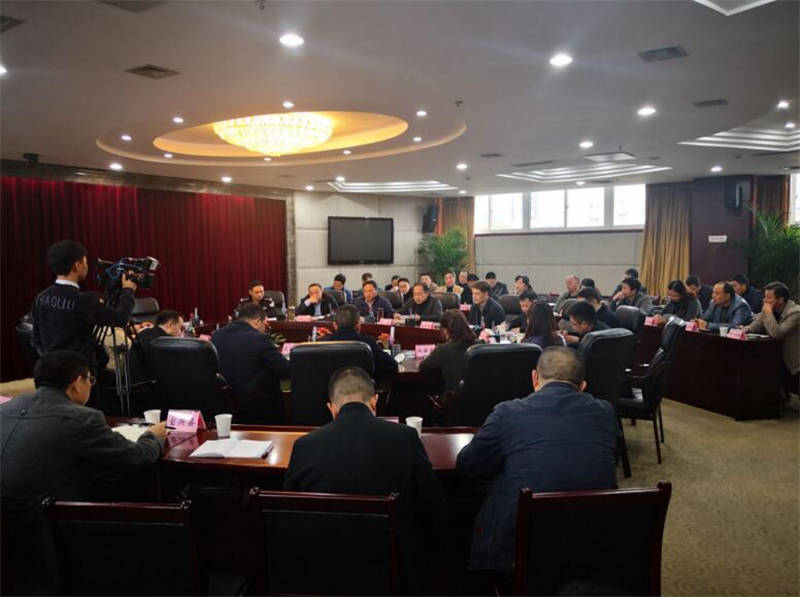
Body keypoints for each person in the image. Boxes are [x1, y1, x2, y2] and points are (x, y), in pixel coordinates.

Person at [283, 367, 448, 590]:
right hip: (392, 571)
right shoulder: (406, 437)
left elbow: (287, 515)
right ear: (374, 402)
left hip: (322, 572)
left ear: (332, 409)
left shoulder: (305, 446)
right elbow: (434, 507)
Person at [456, 347, 618, 575]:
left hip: (518, 555)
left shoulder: (507, 413)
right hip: (591, 546)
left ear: (534, 378)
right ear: (582, 386)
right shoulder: (606, 412)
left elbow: (468, 465)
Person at [0, 350, 167, 501]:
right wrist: (153, 435)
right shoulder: (82, 418)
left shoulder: (5, 408)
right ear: (78, 383)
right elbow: (136, 457)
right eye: (90, 380)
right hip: (48, 516)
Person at [32, 240, 137, 369]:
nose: (86, 267)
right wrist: (128, 290)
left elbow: (36, 339)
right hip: (79, 372)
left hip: (52, 369)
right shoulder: (84, 300)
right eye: (85, 262)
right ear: (77, 265)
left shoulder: (40, 297)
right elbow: (120, 319)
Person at [211, 302, 290, 424]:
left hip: (226, 408)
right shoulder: (259, 338)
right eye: (264, 324)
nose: (265, 329)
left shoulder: (217, 336)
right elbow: (284, 370)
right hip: (260, 409)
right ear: (258, 321)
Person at [744, 282, 799, 395]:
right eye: (764, 297)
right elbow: (755, 326)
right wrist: (741, 330)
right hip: (774, 357)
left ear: (780, 300)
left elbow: (777, 333)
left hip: (793, 360)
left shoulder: (795, 312)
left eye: (768, 298)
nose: (764, 300)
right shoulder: (768, 309)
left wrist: (768, 313)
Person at [320, 304, 398, 381]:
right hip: (362, 387)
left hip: (329, 388)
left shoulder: (321, 344)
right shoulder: (367, 343)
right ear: (359, 324)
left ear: (334, 325)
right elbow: (392, 366)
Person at [419, 310, 479, 391]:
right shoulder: (480, 346)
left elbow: (423, 367)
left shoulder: (443, 349)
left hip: (454, 396)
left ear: (446, 330)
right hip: (481, 395)